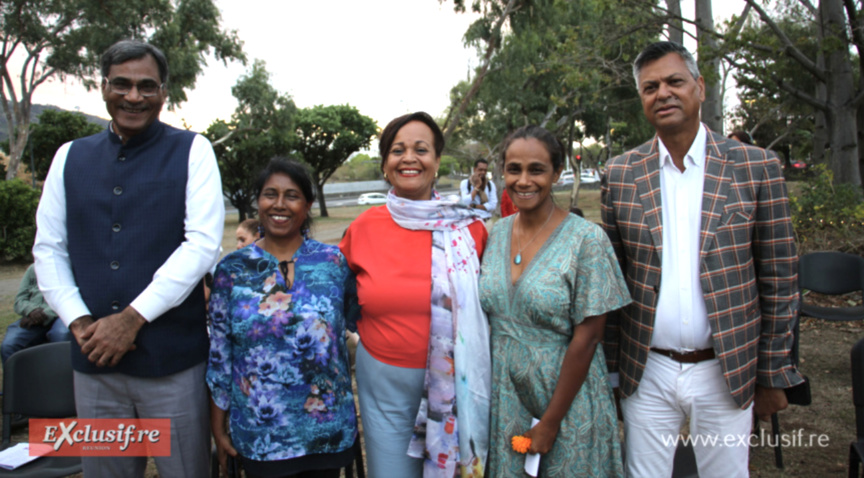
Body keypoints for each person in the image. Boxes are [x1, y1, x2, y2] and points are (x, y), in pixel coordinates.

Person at [601, 41, 803, 477]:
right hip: (647, 368)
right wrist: (613, 371)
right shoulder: (620, 175)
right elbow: (613, 283)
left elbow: (780, 276)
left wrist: (773, 372)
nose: (663, 93)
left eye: (675, 81)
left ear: (700, 87)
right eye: (650, 87)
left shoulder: (755, 167)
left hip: (725, 368)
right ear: (641, 99)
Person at [33, 39, 224, 477]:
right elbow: (49, 248)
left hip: (172, 364)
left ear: (163, 93)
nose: (133, 96)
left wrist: (132, 318)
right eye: (121, 84)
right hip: (94, 365)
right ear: (102, 87)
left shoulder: (193, 151)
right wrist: (80, 323)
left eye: (146, 86)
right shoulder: (69, 157)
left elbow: (201, 246)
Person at [339, 112, 491, 477]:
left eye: (420, 149)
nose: (409, 158)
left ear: (437, 161)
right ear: (386, 164)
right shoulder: (362, 229)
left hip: (460, 384)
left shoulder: (471, 229)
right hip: (385, 388)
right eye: (397, 150)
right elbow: (336, 300)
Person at [479, 125, 630, 476]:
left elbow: (589, 337)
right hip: (507, 398)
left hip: (566, 399)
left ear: (557, 174)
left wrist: (550, 422)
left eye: (537, 169)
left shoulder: (586, 240)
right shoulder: (497, 233)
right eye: (514, 169)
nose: (524, 180)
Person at [208, 159, 357, 478]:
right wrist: (218, 428)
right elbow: (220, 356)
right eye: (269, 194)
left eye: (291, 195)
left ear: (308, 205)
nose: (279, 204)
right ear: (257, 201)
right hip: (260, 435)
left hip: (326, 433)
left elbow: (345, 328)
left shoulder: (332, 262)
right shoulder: (231, 270)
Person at [1, 265, 72, 363]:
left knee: (61, 335)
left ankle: (60, 376)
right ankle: (16, 377)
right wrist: (30, 311)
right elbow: (19, 300)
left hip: (62, 315)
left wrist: (44, 314)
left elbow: (72, 299)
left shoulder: (69, 267)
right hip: (33, 317)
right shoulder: (33, 269)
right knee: (10, 344)